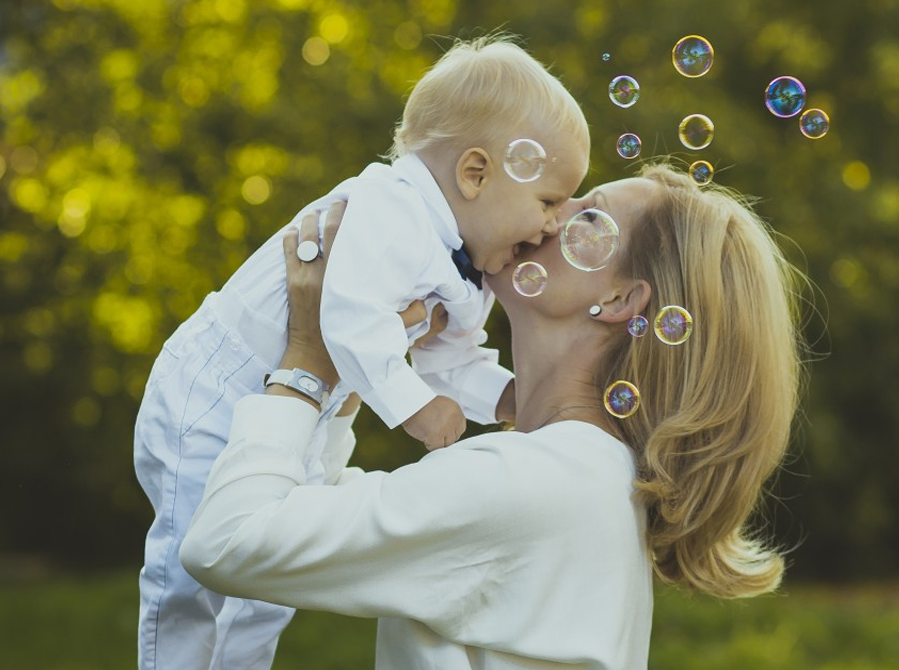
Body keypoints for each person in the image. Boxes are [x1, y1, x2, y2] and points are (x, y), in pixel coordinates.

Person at [179, 163, 805, 669]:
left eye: (587, 215)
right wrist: (349, 361)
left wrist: (307, 363)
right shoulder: (579, 476)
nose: (549, 214)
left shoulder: (534, 485)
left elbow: (230, 540)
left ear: (619, 299)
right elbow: (302, 506)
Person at [133, 36, 590, 670]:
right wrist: (416, 410)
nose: (553, 225)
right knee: (191, 566)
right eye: (547, 201)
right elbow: (347, 319)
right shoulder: (391, 207)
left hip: (308, 408)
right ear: (476, 173)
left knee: (268, 577)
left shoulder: (470, 272)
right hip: (216, 387)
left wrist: (513, 399)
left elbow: (450, 361)